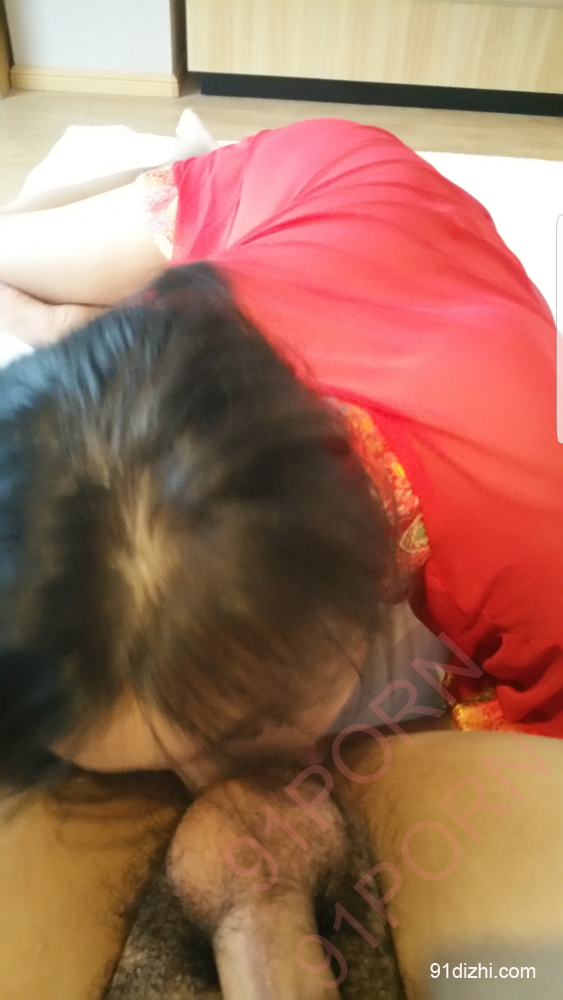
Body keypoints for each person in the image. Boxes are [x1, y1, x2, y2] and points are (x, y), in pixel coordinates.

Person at [0, 114, 561, 1000]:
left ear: (368, 582)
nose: (197, 787)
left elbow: (535, 749)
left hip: (338, 180)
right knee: (27, 270)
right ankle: (65, 318)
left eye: (230, 741)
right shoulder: (149, 361)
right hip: (254, 256)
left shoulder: (512, 529)